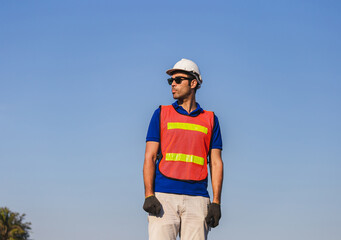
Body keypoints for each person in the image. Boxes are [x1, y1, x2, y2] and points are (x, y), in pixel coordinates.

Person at [143, 58, 224, 240]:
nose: (173, 84)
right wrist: (149, 195)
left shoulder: (211, 120)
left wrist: (216, 202)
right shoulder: (161, 114)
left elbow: (216, 162)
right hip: (164, 198)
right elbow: (149, 156)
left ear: (193, 83)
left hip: (197, 199)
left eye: (178, 80)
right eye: (171, 80)